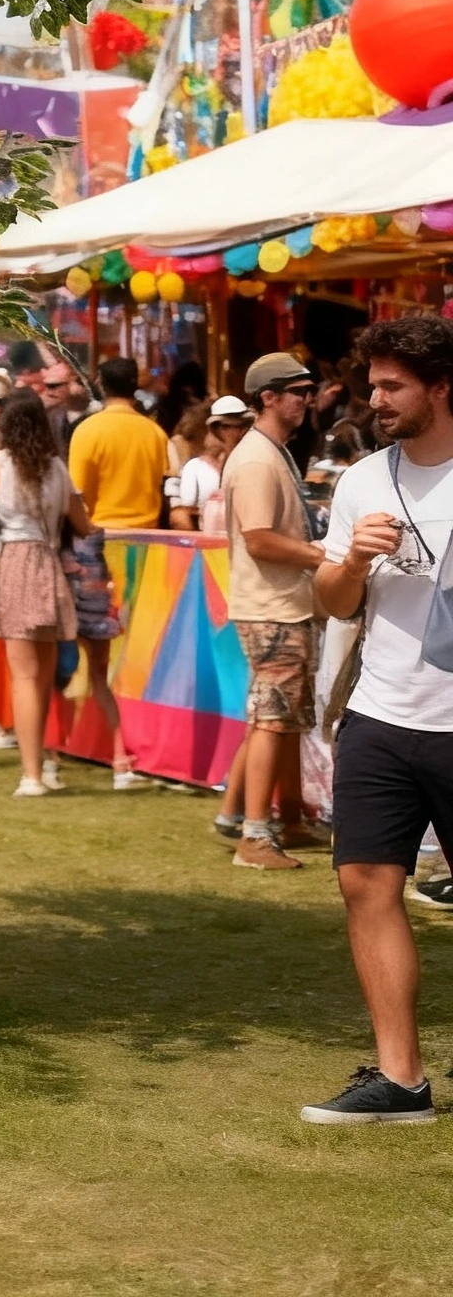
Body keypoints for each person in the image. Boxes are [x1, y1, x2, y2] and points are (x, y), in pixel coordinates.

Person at [299, 317, 453, 1121]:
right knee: (366, 882)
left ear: (441, 387)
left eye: (395, 386)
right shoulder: (362, 479)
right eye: (374, 384)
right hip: (382, 715)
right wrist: (352, 558)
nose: (376, 398)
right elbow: (332, 603)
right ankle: (401, 1081)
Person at [212, 353, 329, 874]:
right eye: (298, 391)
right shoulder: (258, 457)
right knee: (273, 719)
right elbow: (260, 540)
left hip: (282, 604)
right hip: (271, 607)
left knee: (286, 719)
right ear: (269, 397)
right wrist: (325, 554)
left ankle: (286, 820)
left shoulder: (268, 450)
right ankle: (256, 835)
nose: (308, 399)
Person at [0, 388, 92, 799]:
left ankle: (32, 773)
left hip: (15, 563)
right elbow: (84, 525)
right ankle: (46, 761)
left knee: (23, 676)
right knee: (42, 677)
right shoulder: (56, 467)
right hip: (49, 563)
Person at [66, 356, 167, 789]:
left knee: (101, 655)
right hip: (154, 550)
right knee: (141, 653)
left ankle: (114, 747)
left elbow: (76, 497)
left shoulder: (89, 430)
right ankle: (126, 747)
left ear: (98, 383)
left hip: (100, 548)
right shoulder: (155, 432)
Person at [169, 396, 252, 532]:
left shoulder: (254, 463)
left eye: (241, 426)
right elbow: (180, 517)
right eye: (225, 426)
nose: (234, 433)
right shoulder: (193, 468)